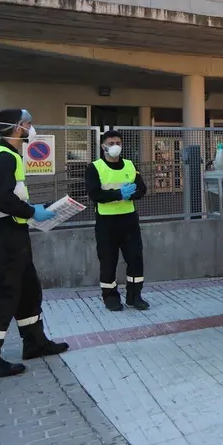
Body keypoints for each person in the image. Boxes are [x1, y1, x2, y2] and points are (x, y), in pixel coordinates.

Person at [0, 108, 69, 380]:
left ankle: (35, 343)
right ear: (18, 127)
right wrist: (31, 212)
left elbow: (6, 196)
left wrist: (29, 210)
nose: (31, 128)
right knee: (1, 295)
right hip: (2, 235)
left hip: (12, 233)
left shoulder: (9, 154)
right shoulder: (4, 156)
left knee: (28, 289)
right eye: (29, 123)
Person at [86, 130, 149, 311]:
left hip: (129, 221)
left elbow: (142, 188)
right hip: (106, 223)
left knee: (135, 260)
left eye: (118, 143)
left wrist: (133, 194)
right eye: (111, 143)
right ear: (103, 146)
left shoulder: (129, 165)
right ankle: (110, 298)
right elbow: (94, 194)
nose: (115, 147)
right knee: (108, 261)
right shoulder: (95, 167)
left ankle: (135, 296)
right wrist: (118, 194)